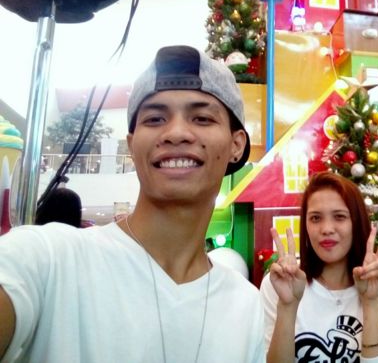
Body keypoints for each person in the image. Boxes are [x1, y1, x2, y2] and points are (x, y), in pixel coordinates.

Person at [0, 45, 265, 362]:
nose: (176, 133)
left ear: (236, 145)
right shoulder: (49, 260)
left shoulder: (246, 306)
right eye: (155, 118)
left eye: (202, 118)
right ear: (132, 144)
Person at [260, 171, 378, 363]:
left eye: (339, 216)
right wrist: (287, 307)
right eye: (315, 218)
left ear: (356, 223)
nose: (326, 229)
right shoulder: (280, 286)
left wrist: (371, 303)